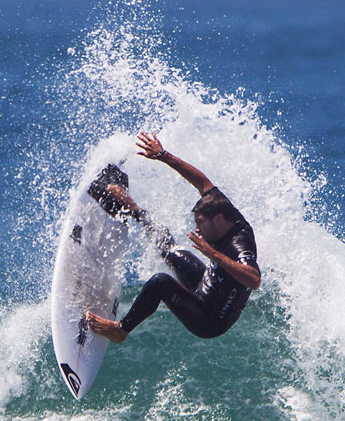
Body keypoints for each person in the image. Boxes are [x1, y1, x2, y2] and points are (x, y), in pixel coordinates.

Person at [83, 132, 261, 343]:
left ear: (219, 219)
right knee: (170, 248)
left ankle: (120, 330)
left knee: (161, 282)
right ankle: (132, 209)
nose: (198, 229)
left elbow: (254, 279)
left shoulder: (240, 243)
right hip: (207, 283)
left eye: (201, 223)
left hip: (210, 318)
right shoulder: (220, 206)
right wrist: (163, 155)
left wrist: (213, 254)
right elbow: (202, 182)